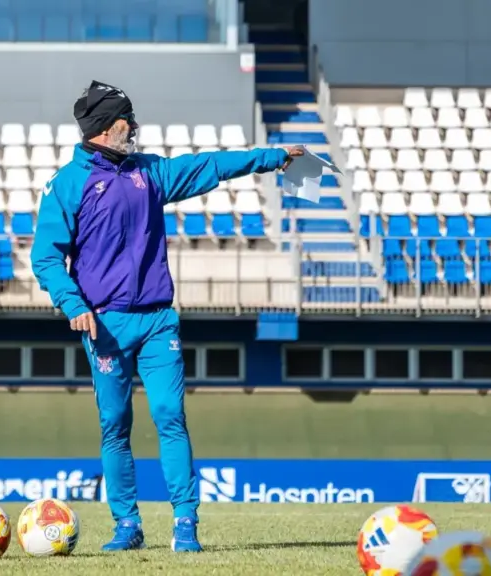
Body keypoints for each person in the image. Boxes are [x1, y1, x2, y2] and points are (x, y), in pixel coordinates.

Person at [30, 80, 304, 553]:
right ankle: (127, 526)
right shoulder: (67, 185)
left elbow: (210, 165)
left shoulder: (149, 174)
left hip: (158, 320)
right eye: (126, 121)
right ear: (103, 127)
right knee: (114, 424)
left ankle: (185, 524)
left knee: (168, 415)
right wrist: (72, 305)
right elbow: (46, 258)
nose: (133, 128)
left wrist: (273, 155)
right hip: (106, 326)